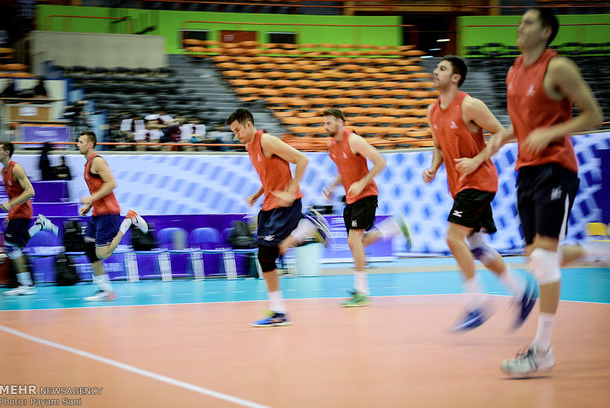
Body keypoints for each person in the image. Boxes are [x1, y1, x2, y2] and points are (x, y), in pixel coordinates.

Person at [477, 8, 602, 377]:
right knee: (536, 257)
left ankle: (542, 351)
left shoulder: (558, 67)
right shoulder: (514, 71)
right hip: (525, 171)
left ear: (546, 32)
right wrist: (503, 135)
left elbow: (593, 115)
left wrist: (552, 133)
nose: (520, 26)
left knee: (545, 261)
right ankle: (599, 251)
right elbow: (524, 125)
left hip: (556, 168)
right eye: (520, 21)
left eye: (529, 22)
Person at [423, 56, 537, 331]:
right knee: (478, 246)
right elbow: (439, 147)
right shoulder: (432, 110)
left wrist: (476, 160)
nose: (435, 71)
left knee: (453, 238)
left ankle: (476, 304)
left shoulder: (470, 105)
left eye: (441, 68)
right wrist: (433, 168)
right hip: (459, 185)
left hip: (480, 180)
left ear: (456, 78)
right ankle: (522, 293)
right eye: (436, 68)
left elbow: (501, 133)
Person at [226, 108, 331, 327]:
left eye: (238, 130)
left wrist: (292, 190)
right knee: (266, 257)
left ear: (248, 125)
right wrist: (256, 195)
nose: (237, 135)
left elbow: (302, 160)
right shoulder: (249, 146)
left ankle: (309, 224)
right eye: (233, 132)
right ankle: (278, 311)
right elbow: (268, 176)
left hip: (286, 204)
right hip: (268, 205)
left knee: (268, 252)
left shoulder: (267, 141)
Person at [321, 108, 413, 307]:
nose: (325, 127)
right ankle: (393, 227)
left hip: (366, 196)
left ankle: (362, 292)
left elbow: (381, 162)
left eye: (328, 123)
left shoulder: (353, 140)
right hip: (351, 199)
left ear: (339, 122)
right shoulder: (332, 146)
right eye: (324, 123)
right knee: (357, 243)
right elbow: (343, 170)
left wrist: (363, 182)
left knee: (354, 241)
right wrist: (331, 186)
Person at [77, 130, 149, 301]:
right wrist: (89, 205)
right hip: (97, 213)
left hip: (108, 213)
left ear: (90, 144)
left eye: (80, 141)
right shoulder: (87, 164)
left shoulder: (97, 161)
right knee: (88, 248)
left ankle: (129, 221)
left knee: (102, 254)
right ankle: (105, 289)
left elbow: (111, 184)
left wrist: (90, 198)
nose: (77, 144)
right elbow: (99, 189)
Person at [0, 141, 58, 296]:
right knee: (16, 247)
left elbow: (30, 191)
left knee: (12, 248)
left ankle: (26, 285)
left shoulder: (16, 169)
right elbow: (13, 195)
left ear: (7, 152)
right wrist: (9, 214)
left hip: (23, 212)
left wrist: (10, 205)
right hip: (16, 213)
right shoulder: (2, 172)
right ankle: (39, 224)